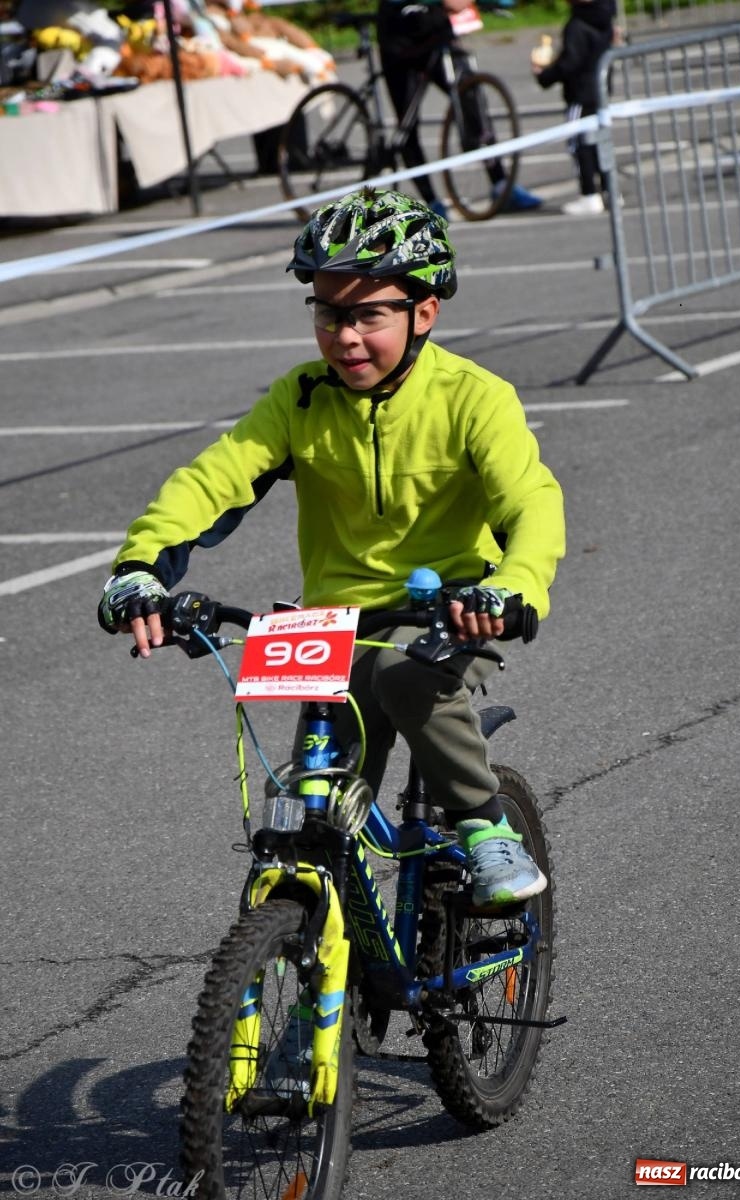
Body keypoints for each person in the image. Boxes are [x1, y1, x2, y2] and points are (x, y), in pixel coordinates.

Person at [98, 187, 565, 906]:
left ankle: (483, 823)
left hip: (448, 616)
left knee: (405, 680)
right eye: (327, 313)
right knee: (314, 810)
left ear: (424, 314)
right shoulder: (301, 398)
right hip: (332, 627)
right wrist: (139, 567)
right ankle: (314, 957)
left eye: (367, 315)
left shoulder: (475, 398)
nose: (344, 337)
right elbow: (210, 484)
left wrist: (515, 588)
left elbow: (531, 503)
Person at [376, 0, 543, 216]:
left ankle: (500, 184)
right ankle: (431, 200)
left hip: (434, 32)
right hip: (400, 41)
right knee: (407, 124)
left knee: (472, 97)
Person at [532, 0, 616, 216]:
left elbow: (570, 62)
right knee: (600, 143)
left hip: (580, 94)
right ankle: (610, 190)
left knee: (579, 145)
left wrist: (545, 75)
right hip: (601, 92)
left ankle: (589, 194)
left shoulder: (577, 24)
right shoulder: (604, 16)